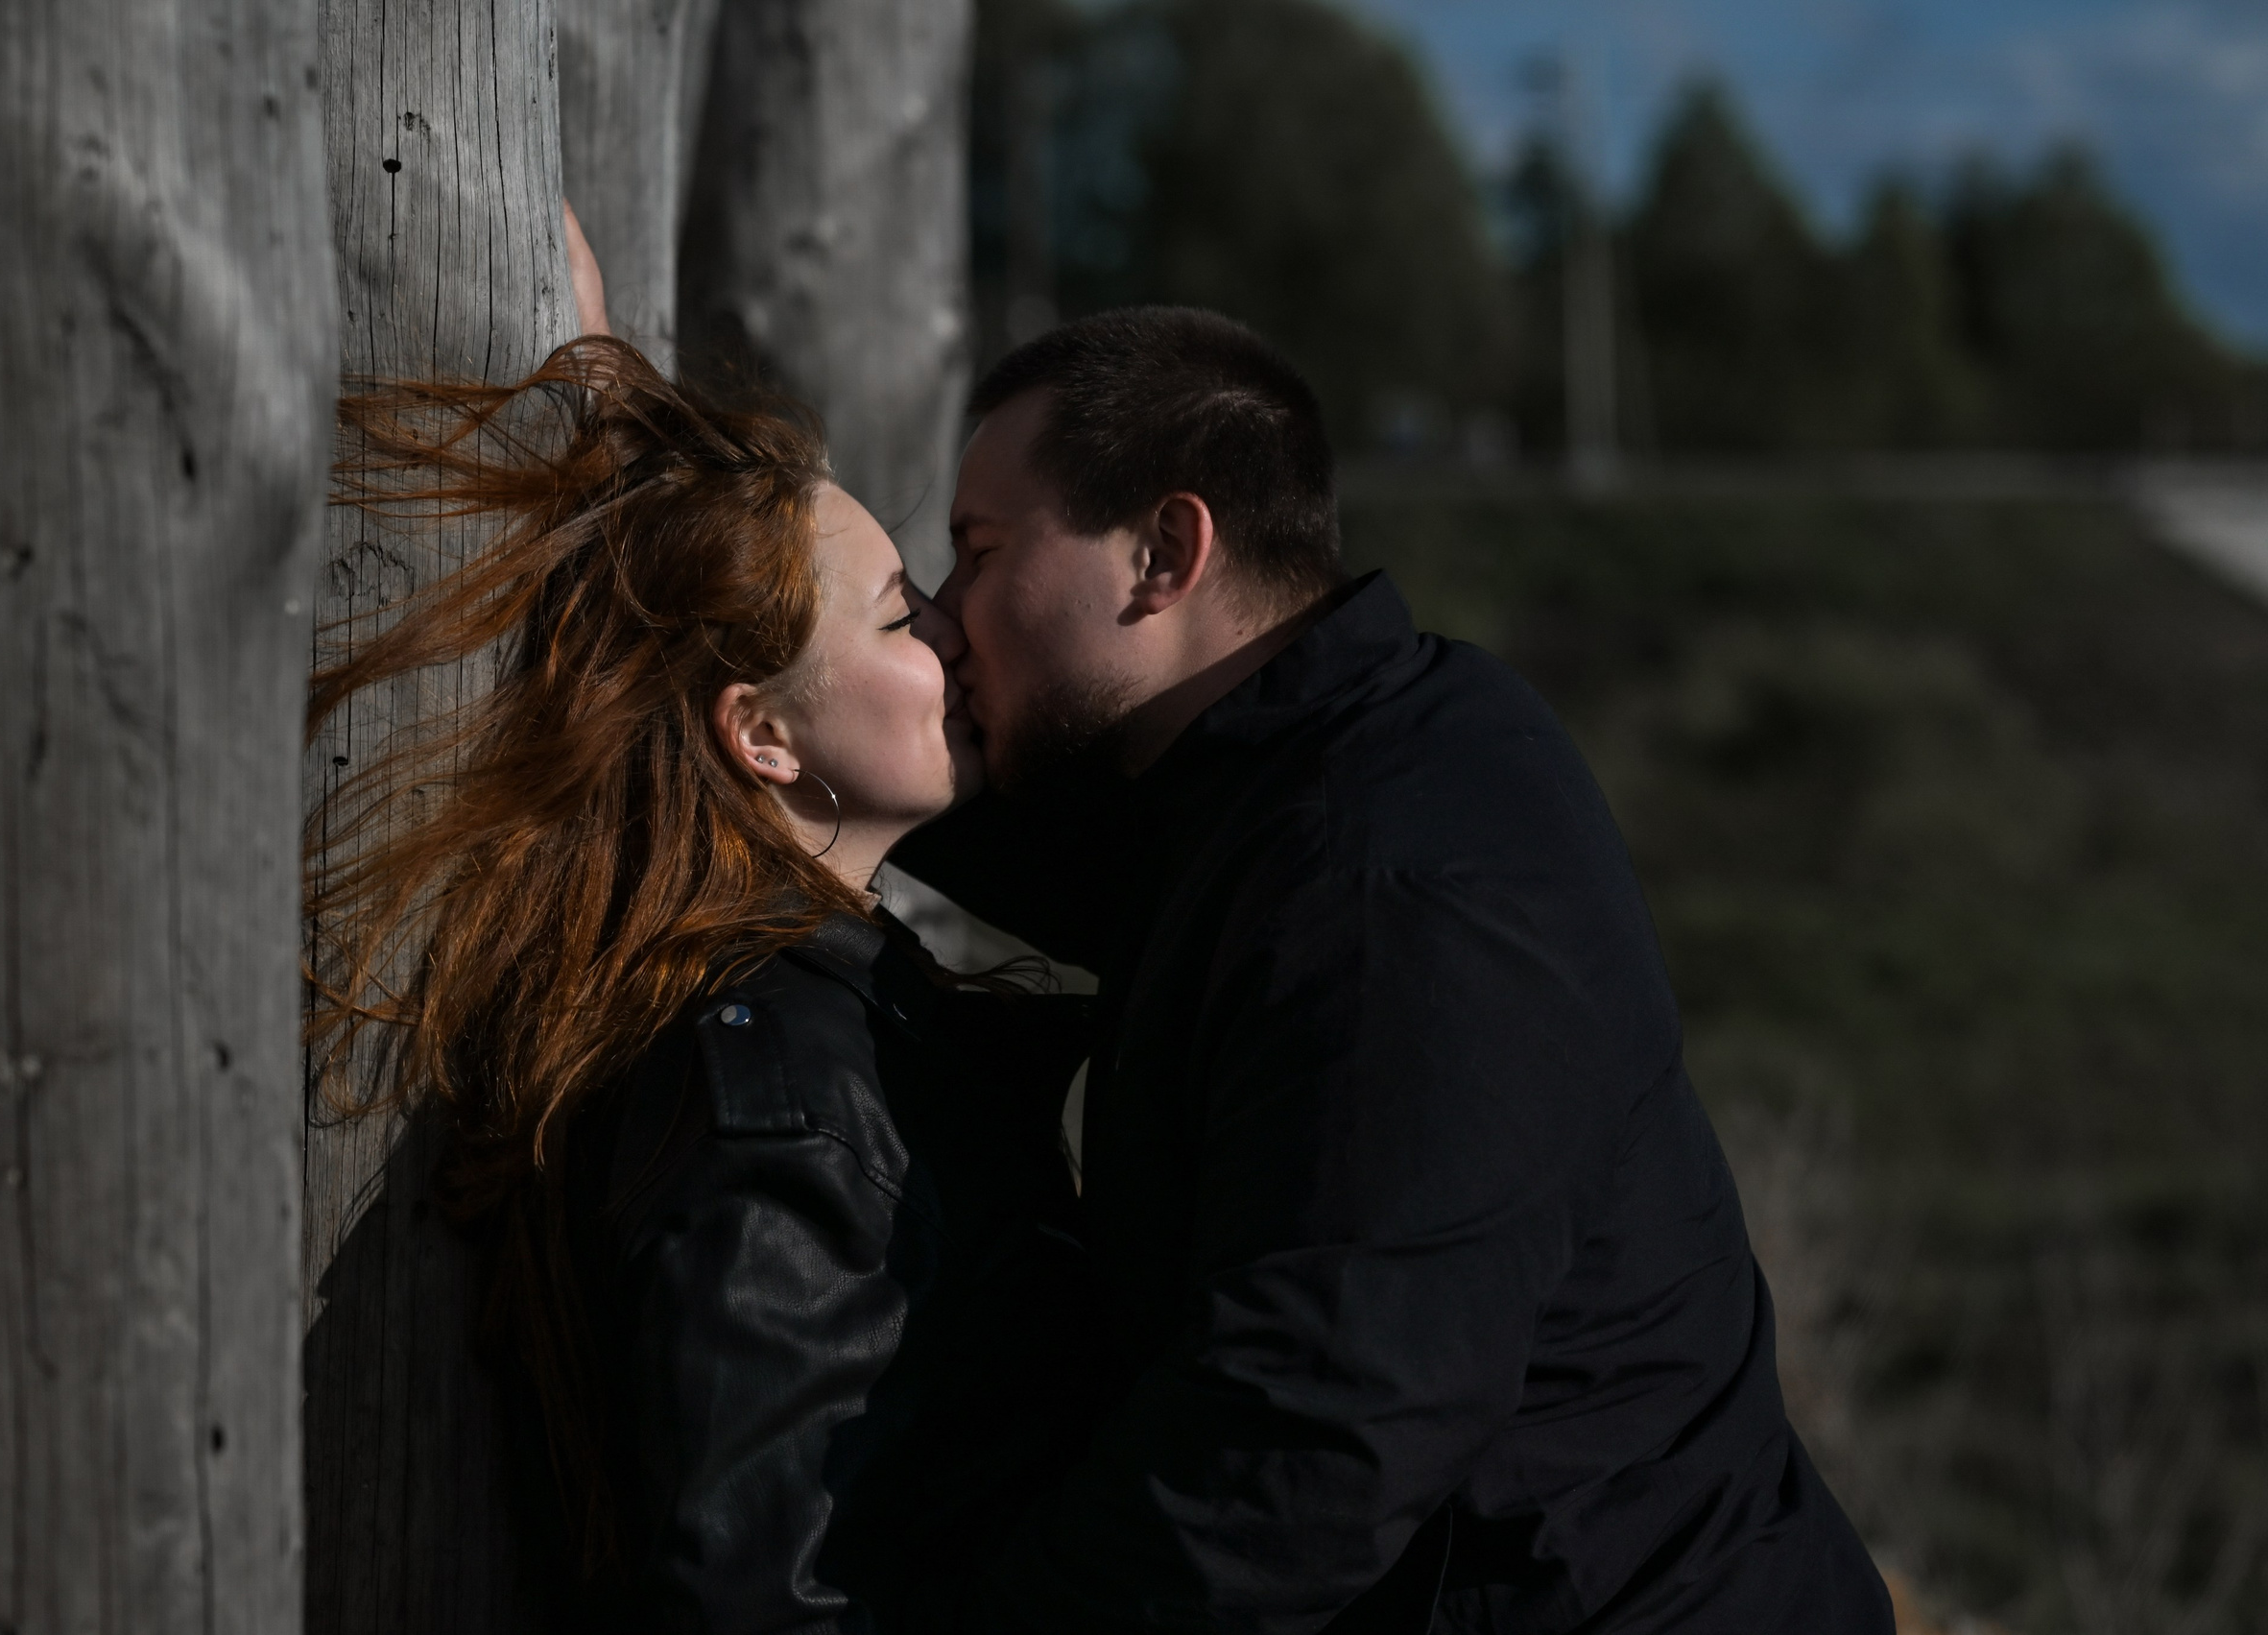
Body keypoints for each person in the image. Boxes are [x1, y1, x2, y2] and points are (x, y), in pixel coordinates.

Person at [889, 306, 1897, 1633]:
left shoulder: (1394, 892)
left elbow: (1297, 1456)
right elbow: (1053, 844)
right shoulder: (1312, 768)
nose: (948, 623)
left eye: (978, 555)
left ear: (1163, 554)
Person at [304, 335, 1100, 1629]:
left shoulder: (811, 1016)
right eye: (904, 616)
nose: (955, 632)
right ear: (763, 735)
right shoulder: (779, 1093)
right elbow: (756, 1594)